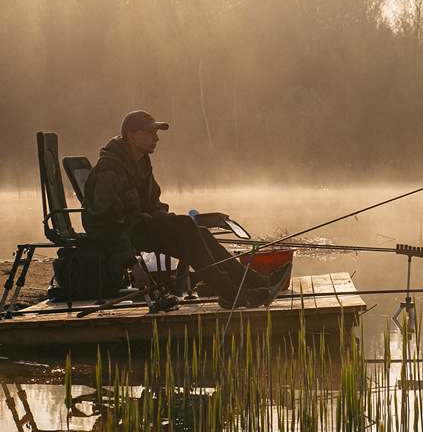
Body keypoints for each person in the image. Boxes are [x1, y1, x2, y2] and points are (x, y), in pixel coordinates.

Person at [82, 110, 288, 308]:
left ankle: (254, 281)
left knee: (197, 231)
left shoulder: (141, 163)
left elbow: (154, 205)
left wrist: (169, 223)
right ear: (132, 135)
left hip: (140, 226)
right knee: (184, 225)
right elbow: (107, 223)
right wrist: (130, 262)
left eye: (156, 133)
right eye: (151, 133)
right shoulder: (110, 169)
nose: (156, 138)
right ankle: (228, 292)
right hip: (122, 235)